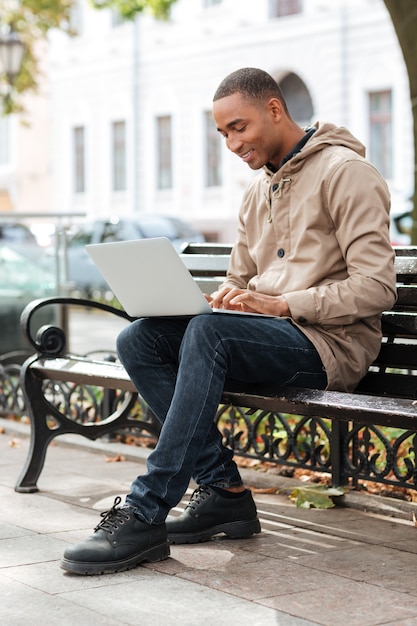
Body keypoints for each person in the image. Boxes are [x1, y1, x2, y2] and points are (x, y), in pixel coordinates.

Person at [61, 67, 397, 575]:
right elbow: (239, 280)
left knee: (209, 332)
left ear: (275, 110)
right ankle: (223, 491)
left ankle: (146, 510)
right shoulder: (256, 192)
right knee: (140, 340)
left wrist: (284, 304)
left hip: (330, 345)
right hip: (261, 337)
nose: (231, 143)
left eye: (238, 127)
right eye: (222, 133)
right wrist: (216, 297)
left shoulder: (345, 173)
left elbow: (377, 287)